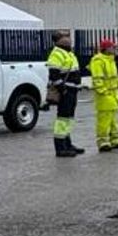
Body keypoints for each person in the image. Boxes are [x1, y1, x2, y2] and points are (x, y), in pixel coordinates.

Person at [45, 29, 86, 158]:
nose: (69, 39)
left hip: (72, 90)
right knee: (62, 119)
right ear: (59, 40)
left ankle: (68, 144)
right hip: (66, 91)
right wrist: (63, 89)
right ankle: (60, 147)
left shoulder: (68, 53)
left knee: (68, 119)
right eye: (65, 37)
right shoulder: (57, 53)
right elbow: (54, 75)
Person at [89, 38, 118, 152]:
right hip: (105, 95)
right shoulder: (98, 61)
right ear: (106, 48)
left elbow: (114, 75)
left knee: (113, 119)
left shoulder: (110, 60)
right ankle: (103, 141)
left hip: (113, 94)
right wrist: (103, 91)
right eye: (113, 47)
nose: (115, 49)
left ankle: (115, 140)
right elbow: (97, 78)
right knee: (104, 120)